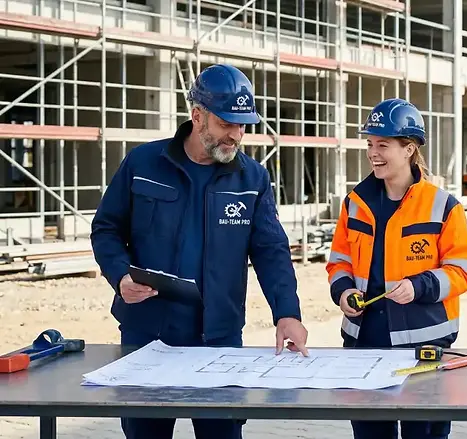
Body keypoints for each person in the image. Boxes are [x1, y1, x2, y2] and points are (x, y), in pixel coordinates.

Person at [90, 63, 309, 439]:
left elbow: (271, 251)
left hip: (219, 339)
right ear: (197, 116)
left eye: (243, 126)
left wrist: (287, 313)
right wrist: (120, 274)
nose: (237, 135)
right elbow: (106, 229)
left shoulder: (252, 178)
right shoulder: (143, 164)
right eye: (227, 124)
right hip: (148, 336)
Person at [325, 97, 467, 439]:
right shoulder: (355, 203)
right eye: (370, 144)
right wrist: (343, 291)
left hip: (424, 345)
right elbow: (338, 260)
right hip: (364, 341)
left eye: (383, 145)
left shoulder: (443, 206)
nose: (373, 153)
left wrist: (418, 286)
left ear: (409, 150)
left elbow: (461, 270)